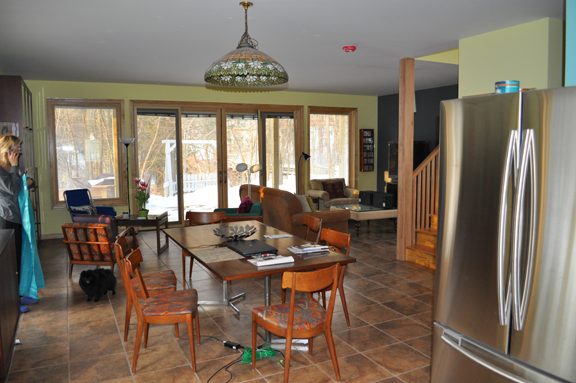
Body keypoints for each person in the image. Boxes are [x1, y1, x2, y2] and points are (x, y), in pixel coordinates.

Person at [0, 134, 37, 312]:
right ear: (7, 150)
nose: (19, 152)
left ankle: (19, 295)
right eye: (16, 148)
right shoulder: (2, 170)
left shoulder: (9, 168)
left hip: (18, 217)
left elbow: (24, 183)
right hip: (7, 219)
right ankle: (12, 302)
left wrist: (26, 181)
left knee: (19, 258)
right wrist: (15, 168)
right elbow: (14, 189)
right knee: (11, 262)